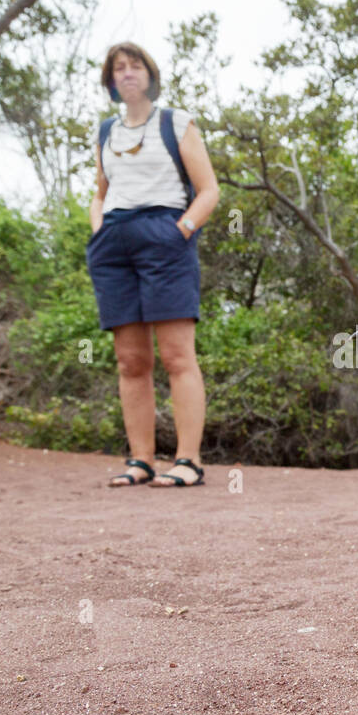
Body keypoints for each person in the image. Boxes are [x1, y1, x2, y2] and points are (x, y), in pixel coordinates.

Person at [89, 42, 220, 487]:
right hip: (114, 243)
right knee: (130, 360)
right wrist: (97, 228)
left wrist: (179, 231)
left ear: (149, 74)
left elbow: (209, 190)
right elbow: (100, 191)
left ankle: (188, 461)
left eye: (135, 66)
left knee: (178, 355)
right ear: (110, 80)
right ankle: (140, 460)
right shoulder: (106, 129)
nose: (127, 73)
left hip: (165, 234)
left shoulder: (175, 123)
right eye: (118, 68)